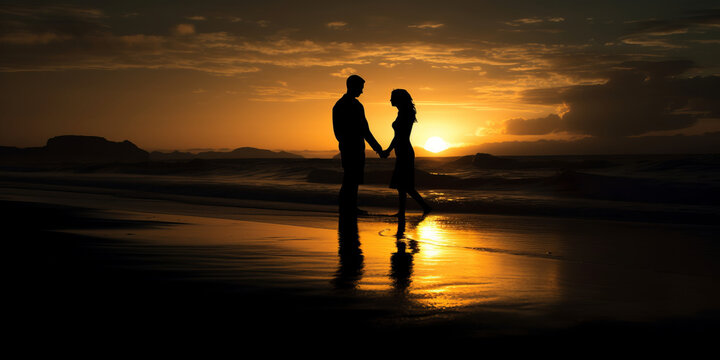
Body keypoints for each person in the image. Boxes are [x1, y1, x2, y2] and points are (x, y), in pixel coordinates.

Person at [332, 75, 383, 215]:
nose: (362, 91)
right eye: (360, 88)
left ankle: (347, 208)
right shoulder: (355, 106)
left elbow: (337, 132)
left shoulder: (339, 105)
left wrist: (344, 143)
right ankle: (349, 208)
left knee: (349, 179)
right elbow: (365, 130)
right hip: (353, 148)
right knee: (351, 180)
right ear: (353, 87)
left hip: (348, 147)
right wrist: (378, 149)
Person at [380, 89, 431, 216]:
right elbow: (397, 136)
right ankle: (405, 211)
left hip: (404, 151)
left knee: (405, 185)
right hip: (402, 150)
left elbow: (400, 136)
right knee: (403, 185)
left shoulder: (405, 113)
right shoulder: (402, 112)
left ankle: (423, 207)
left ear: (399, 99)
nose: (390, 100)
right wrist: (389, 149)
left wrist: (388, 150)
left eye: (392, 97)